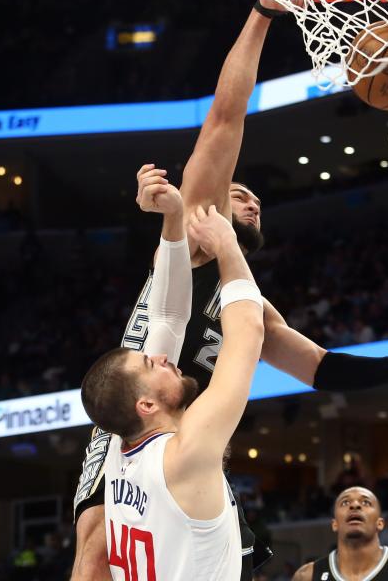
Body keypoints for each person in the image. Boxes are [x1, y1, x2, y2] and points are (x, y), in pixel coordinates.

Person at [71, 0, 388, 581]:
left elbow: (320, 369)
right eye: (238, 192)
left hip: (192, 446)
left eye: (255, 195)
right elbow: (225, 118)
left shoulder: (253, 308)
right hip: (142, 430)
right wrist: (263, 15)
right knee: (95, 546)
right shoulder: (191, 255)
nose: (251, 197)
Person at [80, 182, 264, 580]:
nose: (163, 357)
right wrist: (228, 246)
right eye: (151, 364)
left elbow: (166, 317)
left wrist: (174, 218)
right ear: (145, 405)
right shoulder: (188, 451)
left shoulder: (119, 453)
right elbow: (248, 331)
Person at [292, 487, 388, 581]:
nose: (355, 505)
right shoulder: (307, 576)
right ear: (335, 524)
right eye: (345, 502)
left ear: (380, 523)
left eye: (366, 502)